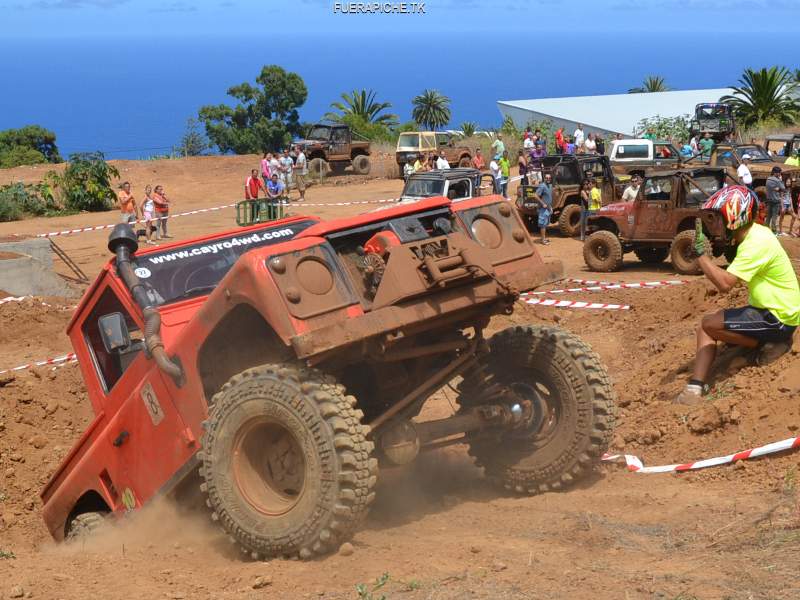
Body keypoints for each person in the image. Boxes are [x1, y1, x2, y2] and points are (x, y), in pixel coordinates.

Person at [676, 199, 800, 404]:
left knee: (708, 326)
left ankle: (694, 390)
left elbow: (725, 284)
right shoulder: (757, 233)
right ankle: (765, 344)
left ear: (733, 216)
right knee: (712, 322)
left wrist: (701, 257)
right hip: (777, 310)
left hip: (778, 317)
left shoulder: (755, 243)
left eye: (717, 218)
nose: (714, 225)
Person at [533, 172, 553, 245]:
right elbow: (535, 196)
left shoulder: (550, 185)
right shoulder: (542, 186)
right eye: (546, 178)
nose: (548, 179)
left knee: (546, 223)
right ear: (544, 178)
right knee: (543, 224)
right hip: (543, 209)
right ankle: (543, 240)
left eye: (549, 178)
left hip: (548, 208)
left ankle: (544, 238)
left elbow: (549, 197)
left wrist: (550, 207)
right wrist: (543, 203)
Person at [766, 166, 785, 233]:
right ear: (775, 173)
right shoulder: (777, 180)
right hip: (776, 201)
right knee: (774, 217)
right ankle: (773, 231)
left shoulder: (768, 179)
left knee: (768, 216)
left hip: (769, 200)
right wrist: (779, 187)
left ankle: (766, 230)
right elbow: (783, 189)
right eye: (779, 172)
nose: (780, 174)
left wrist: (778, 189)